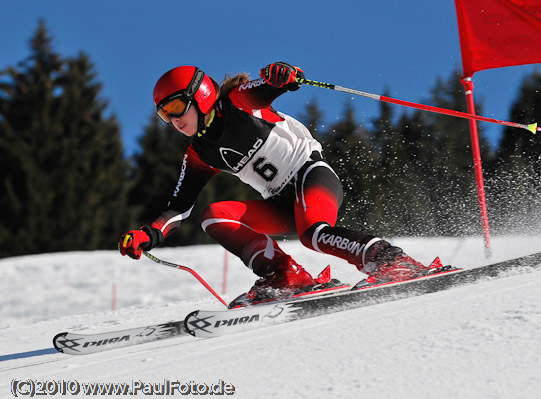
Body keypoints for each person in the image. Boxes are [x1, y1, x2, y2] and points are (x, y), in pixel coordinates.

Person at [119, 62, 435, 303]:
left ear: (199, 96)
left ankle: (392, 261)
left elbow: (272, 82)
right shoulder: (199, 153)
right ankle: (286, 276)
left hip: (311, 174)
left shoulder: (237, 103)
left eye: (175, 107)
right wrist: (148, 235)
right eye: (164, 114)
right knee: (214, 215)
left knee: (315, 234)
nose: (172, 119)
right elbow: (179, 207)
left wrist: (282, 73)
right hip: (282, 203)